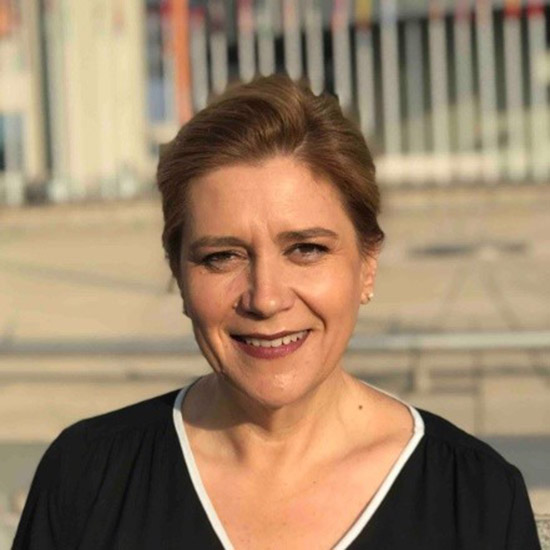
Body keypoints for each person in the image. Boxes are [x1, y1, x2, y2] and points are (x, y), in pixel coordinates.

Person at [13, 75, 540, 550]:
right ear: (179, 274)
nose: (265, 299)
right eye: (222, 256)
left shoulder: (478, 501)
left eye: (306, 249)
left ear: (367, 264)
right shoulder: (86, 479)